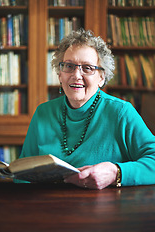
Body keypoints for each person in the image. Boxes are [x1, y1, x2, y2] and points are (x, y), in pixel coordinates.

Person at [18, 28, 155, 189]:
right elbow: (22, 175)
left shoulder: (121, 112)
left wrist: (116, 172)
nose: (76, 75)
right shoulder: (43, 113)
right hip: (49, 208)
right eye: (69, 66)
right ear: (60, 74)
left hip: (106, 210)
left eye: (87, 68)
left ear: (101, 77)